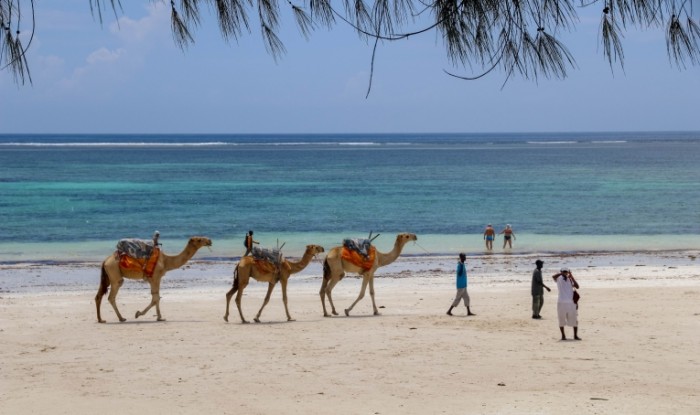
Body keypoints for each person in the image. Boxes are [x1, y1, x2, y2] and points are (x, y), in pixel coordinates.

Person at [553, 267, 580, 340]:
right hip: (561, 302)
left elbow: (577, 286)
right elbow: (553, 276)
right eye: (564, 271)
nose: (565, 273)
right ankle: (563, 336)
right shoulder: (559, 279)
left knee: (574, 320)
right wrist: (561, 273)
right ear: (561, 272)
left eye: (566, 272)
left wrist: (572, 276)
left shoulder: (570, 279)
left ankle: (575, 336)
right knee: (561, 319)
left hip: (571, 303)